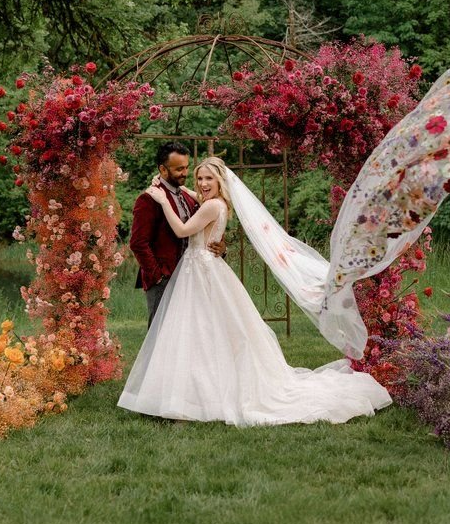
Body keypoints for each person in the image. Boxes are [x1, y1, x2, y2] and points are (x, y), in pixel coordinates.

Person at [118, 157, 391, 426]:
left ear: (220, 181)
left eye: (209, 178)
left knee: (197, 331)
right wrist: (175, 189)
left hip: (200, 271)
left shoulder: (211, 205)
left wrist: (163, 200)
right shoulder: (218, 203)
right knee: (204, 331)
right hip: (202, 269)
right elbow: (193, 195)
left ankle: (190, 398)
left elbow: (182, 231)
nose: (202, 183)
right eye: (199, 178)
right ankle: (192, 394)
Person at [129, 142, 225, 327]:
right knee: (160, 333)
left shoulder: (189, 197)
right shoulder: (149, 199)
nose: (185, 173)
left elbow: (208, 226)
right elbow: (138, 243)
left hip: (191, 278)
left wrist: (220, 246)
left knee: (186, 333)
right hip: (163, 280)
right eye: (179, 169)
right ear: (163, 170)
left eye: (186, 167)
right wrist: (158, 276)